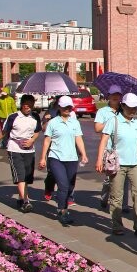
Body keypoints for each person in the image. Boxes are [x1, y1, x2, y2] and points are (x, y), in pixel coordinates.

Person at [96, 93, 137, 237]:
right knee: (117, 196)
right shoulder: (114, 121)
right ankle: (117, 225)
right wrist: (99, 160)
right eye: (130, 107)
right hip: (118, 165)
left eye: (135, 108)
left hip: (135, 164)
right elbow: (104, 141)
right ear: (123, 106)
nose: (133, 110)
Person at [39, 96, 88, 225]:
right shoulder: (53, 123)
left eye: (69, 107)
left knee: (70, 186)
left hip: (71, 158)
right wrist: (43, 158)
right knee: (63, 185)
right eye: (65, 107)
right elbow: (47, 141)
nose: (67, 109)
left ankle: (64, 207)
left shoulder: (74, 122)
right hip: (56, 158)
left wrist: (83, 154)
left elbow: (78, 139)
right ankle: (62, 211)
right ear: (59, 107)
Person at [0, 94, 42, 212]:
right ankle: (26, 201)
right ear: (21, 105)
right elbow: (4, 132)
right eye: (25, 105)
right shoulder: (13, 117)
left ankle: (21, 197)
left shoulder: (35, 117)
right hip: (15, 149)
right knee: (20, 175)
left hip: (29, 149)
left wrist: (32, 140)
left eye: (30, 105)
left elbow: (37, 131)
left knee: (27, 176)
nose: (27, 107)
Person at [94, 85, 125, 211]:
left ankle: (122, 204)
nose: (116, 97)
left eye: (118, 95)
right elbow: (97, 128)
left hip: (122, 148)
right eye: (113, 95)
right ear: (108, 96)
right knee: (110, 177)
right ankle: (105, 197)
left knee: (123, 178)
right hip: (108, 149)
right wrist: (112, 121)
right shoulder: (103, 112)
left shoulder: (124, 110)